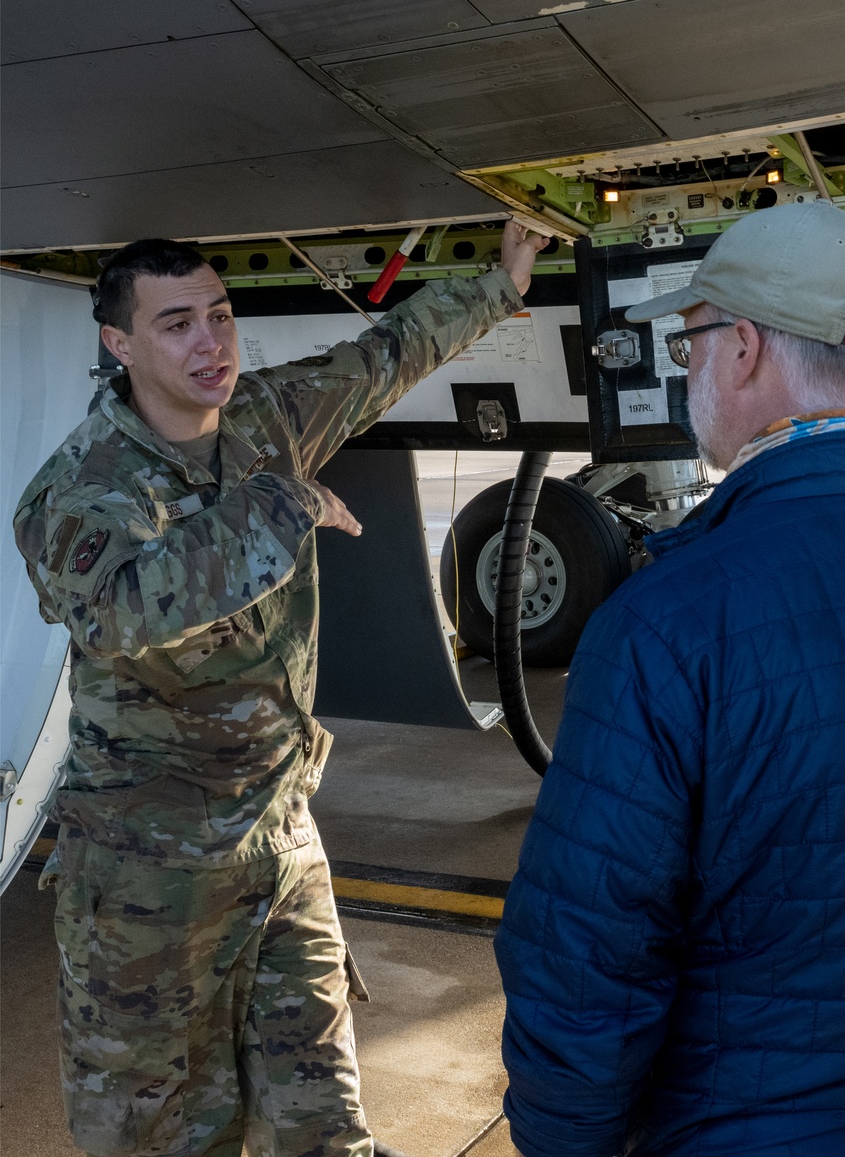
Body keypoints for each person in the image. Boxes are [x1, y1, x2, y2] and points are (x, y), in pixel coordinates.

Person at [14, 218, 547, 1157]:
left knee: (322, 1118)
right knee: (169, 1133)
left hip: (279, 840)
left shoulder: (263, 420)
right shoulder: (82, 488)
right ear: (120, 344)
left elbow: (377, 360)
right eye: (175, 324)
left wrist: (500, 285)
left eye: (218, 316)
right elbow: (118, 611)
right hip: (150, 874)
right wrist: (280, 502)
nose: (210, 342)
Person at [495, 203, 845, 1156]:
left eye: (691, 346)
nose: (688, 375)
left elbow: (586, 958)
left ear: (746, 350)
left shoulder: (666, 622)